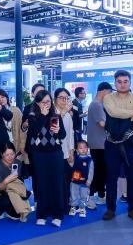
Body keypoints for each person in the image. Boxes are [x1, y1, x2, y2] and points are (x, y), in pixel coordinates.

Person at [102, 70, 133, 222]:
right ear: (115, 83)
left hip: (131, 142)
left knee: (132, 177)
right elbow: (113, 112)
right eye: (119, 82)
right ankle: (110, 209)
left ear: (130, 82)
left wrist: (122, 115)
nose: (122, 84)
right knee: (111, 177)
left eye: (125, 81)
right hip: (111, 143)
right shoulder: (108, 97)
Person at [26, 89, 66, 227]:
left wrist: (58, 131)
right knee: (41, 183)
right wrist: (42, 117)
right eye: (43, 102)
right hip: (39, 154)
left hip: (55, 153)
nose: (46, 104)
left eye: (48, 101)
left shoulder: (56, 115)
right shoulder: (32, 116)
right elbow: (33, 133)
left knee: (57, 183)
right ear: (37, 103)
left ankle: (58, 214)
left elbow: (63, 135)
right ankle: (42, 214)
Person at [0, 142, 31, 221]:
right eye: (7, 155)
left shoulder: (18, 163)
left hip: (11, 190)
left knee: (17, 215)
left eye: (12, 154)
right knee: (3, 202)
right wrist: (7, 180)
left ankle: (9, 210)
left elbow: (19, 181)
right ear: (2, 154)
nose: (10, 157)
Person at [86, 82, 111, 209]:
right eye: (109, 92)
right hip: (98, 144)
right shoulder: (96, 104)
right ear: (103, 91)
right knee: (97, 172)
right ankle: (90, 197)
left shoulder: (98, 104)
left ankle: (101, 195)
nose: (110, 95)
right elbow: (102, 123)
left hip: (100, 143)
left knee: (101, 171)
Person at [54, 88, 75, 211]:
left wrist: (71, 151)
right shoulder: (53, 113)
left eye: (66, 98)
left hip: (66, 153)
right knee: (57, 181)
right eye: (61, 98)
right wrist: (62, 113)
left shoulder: (68, 115)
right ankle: (57, 206)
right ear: (55, 99)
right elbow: (53, 128)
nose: (64, 100)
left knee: (66, 180)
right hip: (55, 153)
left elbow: (71, 134)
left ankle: (65, 204)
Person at [68, 141, 93, 218]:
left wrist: (89, 181)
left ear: (88, 148)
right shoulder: (75, 158)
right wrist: (70, 159)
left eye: (85, 147)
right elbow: (71, 165)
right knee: (73, 195)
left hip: (84, 182)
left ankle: (82, 208)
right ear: (77, 150)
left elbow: (91, 171)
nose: (83, 149)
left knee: (84, 195)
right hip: (74, 182)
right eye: (80, 148)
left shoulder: (89, 160)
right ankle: (73, 207)